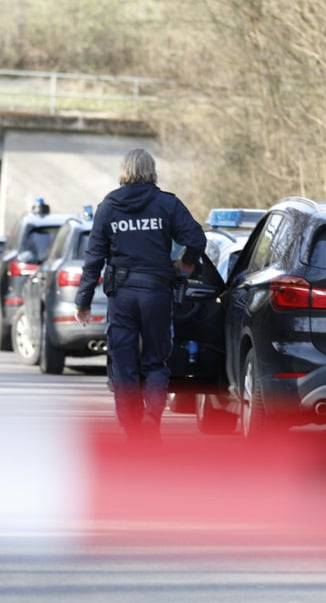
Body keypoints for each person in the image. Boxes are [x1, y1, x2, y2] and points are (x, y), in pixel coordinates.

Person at [74, 148, 206, 443]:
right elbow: (197, 238)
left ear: (125, 170)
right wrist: (186, 264)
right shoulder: (166, 204)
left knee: (123, 361)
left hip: (121, 295)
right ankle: (151, 419)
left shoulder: (108, 207)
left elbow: (94, 257)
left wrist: (82, 300)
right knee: (156, 361)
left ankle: (132, 426)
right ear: (151, 170)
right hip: (157, 292)